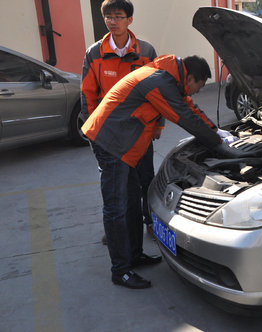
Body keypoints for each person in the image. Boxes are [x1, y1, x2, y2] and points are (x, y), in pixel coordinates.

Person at [82, 54, 235, 289]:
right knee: (116, 208)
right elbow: (183, 116)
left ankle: (134, 255)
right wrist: (218, 145)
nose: (196, 92)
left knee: (132, 201)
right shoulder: (159, 82)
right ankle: (120, 270)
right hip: (111, 143)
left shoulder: (169, 79)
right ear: (190, 77)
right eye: (199, 86)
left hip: (125, 146)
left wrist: (218, 132)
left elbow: (189, 108)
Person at [80, 0, 159, 245]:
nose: (112, 22)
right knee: (116, 184)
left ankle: (150, 223)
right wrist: (94, 130)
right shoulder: (94, 53)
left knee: (146, 179)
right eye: (108, 17)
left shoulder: (146, 51)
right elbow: (88, 94)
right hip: (111, 135)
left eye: (118, 16)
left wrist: (158, 125)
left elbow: (158, 91)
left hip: (141, 130)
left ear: (129, 20)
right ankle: (117, 226)